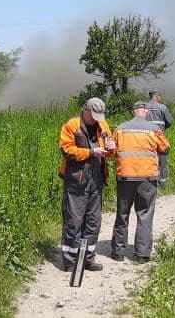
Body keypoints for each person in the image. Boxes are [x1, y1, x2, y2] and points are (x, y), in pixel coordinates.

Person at [110, 101, 170, 263]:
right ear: (147, 112)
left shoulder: (120, 129)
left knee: (122, 214)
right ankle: (142, 254)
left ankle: (118, 252)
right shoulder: (154, 130)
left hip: (125, 177)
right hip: (147, 179)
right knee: (145, 214)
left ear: (133, 111)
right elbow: (165, 148)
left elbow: (111, 151)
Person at [58, 97, 114, 272]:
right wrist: (91, 152)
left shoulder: (103, 125)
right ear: (86, 110)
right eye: (94, 115)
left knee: (93, 222)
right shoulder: (72, 125)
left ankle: (88, 259)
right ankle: (70, 261)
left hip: (96, 180)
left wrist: (112, 148)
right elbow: (67, 150)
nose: (97, 119)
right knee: (73, 221)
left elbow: (110, 154)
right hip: (76, 180)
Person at [146, 89, 174, 182]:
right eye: (159, 96)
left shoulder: (144, 107)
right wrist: (163, 128)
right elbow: (170, 121)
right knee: (162, 159)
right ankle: (163, 182)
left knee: (148, 159)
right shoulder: (162, 107)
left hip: (146, 138)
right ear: (157, 96)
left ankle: (149, 180)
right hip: (160, 137)